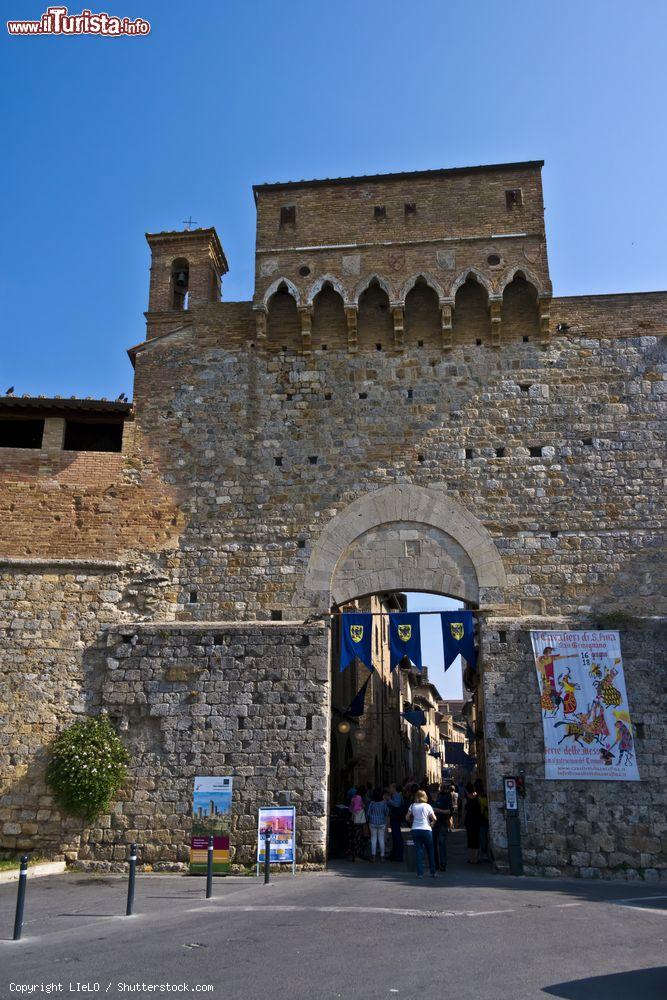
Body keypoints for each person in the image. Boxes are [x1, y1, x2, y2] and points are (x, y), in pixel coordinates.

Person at [407, 789, 437, 878]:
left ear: (416, 796)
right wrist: (432, 824)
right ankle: (433, 872)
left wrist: (411, 820)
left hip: (415, 829)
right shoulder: (428, 806)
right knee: (430, 851)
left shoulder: (412, 806)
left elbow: (407, 817)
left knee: (418, 852)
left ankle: (420, 873)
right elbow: (434, 818)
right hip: (427, 830)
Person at [433, 783, 453, 871]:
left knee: (441, 844)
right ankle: (435, 863)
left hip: (442, 824)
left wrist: (438, 810)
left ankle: (443, 863)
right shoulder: (432, 799)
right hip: (433, 824)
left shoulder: (446, 797)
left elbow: (449, 811)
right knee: (433, 844)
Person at [366, 788, 389, 862]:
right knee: (381, 839)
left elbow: (368, 813)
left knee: (373, 839)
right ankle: (382, 857)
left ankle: (373, 857)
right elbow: (386, 812)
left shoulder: (372, 803)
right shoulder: (384, 803)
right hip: (381, 822)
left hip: (372, 822)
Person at [464, 782, 482, 864]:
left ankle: (471, 858)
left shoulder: (467, 800)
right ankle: (475, 858)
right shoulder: (477, 799)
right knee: (476, 840)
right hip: (476, 821)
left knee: (470, 839)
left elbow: (465, 811)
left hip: (469, 821)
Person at [348, 784, 366, 862]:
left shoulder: (354, 797)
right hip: (358, 821)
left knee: (354, 838)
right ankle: (357, 856)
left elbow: (351, 808)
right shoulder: (359, 797)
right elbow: (356, 808)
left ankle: (353, 855)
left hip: (354, 820)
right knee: (358, 838)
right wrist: (362, 807)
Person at [474, 778, 490, 861]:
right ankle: (485, 852)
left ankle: (484, 852)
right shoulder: (485, 796)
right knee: (484, 836)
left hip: (481, 819)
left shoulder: (478, 798)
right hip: (485, 818)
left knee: (482, 836)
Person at [388, 783, 405, 862]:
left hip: (396, 817)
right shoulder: (394, 795)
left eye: (390, 788)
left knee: (397, 835)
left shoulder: (397, 795)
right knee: (395, 835)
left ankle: (399, 855)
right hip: (394, 817)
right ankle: (394, 854)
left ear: (394, 788)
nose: (389, 789)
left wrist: (389, 800)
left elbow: (397, 805)